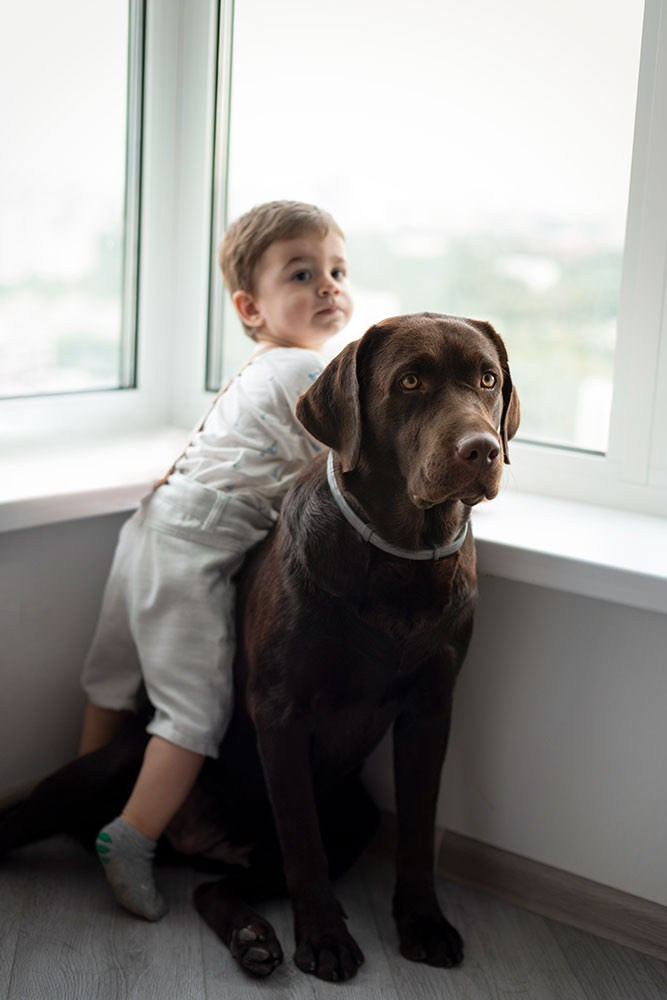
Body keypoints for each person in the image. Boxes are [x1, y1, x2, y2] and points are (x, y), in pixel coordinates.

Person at [78, 200, 353, 920]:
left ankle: (83, 798)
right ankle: (128, 837)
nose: (328, 286)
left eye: (336, 270)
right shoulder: (303, 371)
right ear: (250, 306)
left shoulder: (260, 367)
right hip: (194, 543)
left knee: (113, 678)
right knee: (194, 712)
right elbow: (355, 462)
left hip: (153, 524)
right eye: (302, 273)